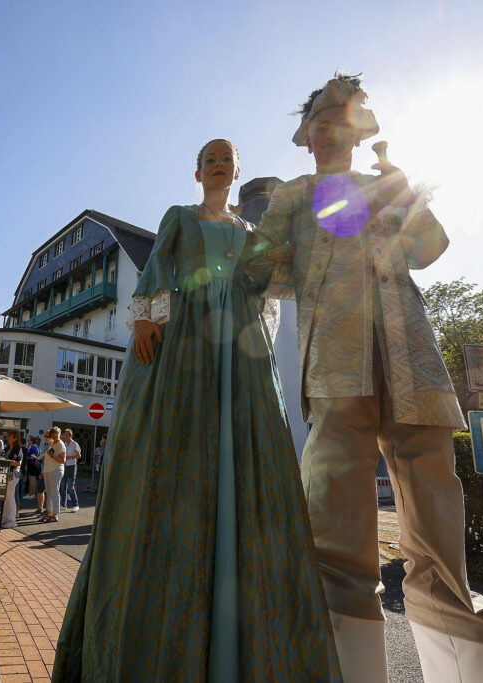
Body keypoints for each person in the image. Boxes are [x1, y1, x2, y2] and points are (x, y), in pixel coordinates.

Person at [249, 74, 483, 682]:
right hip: (334, 349)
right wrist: (282, 256)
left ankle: (454, 612)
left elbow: (428, 248)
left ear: (358, 133)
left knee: (431, 470)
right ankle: (342, 624)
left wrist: (405, 193)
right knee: (337, 481)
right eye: (321, 123)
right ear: (308, 137)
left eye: (342, 123)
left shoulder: (384, 184)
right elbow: (258, 267)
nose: (331, 132)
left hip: (406, 341)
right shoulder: (294, 193)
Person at [53, 139, 341, 682]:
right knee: (179, 451)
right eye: (210, 158)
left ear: (237, 170)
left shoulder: (249, 231)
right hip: (187, 336)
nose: (219, 165)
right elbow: (158, 266)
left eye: (227, 158)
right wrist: (145, 318)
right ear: (198, 172)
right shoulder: (180, 217)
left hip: (241, 346)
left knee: (246, 454)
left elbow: (266, 281)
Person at [1, 430, 25, 529]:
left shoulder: (17, 448)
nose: (7, 438)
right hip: (7, 473)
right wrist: (10, 461)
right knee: (7, 497)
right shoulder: (7, 448)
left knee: (10, 496)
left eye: (9, 437)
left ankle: (12, 520)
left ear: (15, 438)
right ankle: (5, 519)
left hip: (13, 474)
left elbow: (18, 463)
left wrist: (7, 461)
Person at [41, 426, 65, 523]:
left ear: (55, 434)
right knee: (49, 493)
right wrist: (43, 472)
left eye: (48, 435)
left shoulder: (60, 444)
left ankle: (55, 514)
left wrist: (52, 456)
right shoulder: (52, 443)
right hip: (48, 471)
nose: (47, 437)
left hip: (55, 470)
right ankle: (49, 513)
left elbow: (63, 460)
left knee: (54, 492)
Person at [59, 429, 81, 512]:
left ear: (70, 436)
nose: (65, 436)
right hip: (64, 466)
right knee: (63, 487)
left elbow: (78, 456)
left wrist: (68, 457)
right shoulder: (64, 444)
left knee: (70, 487)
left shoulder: (74, 444)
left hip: (71, 466)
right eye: (64, 435)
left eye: (66, 435)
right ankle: (63, 505)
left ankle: (75, 505)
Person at [24, 435, 42, 501]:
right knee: (33, 479)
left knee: (31, 479)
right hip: (34, 464)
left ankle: (30, 494)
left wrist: (25, 457)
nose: (28, 441)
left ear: (31, 441)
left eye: (29, 440)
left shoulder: (32, 447)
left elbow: (31, 457)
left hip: (31, 464)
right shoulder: (36, 447)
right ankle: (32, 494)